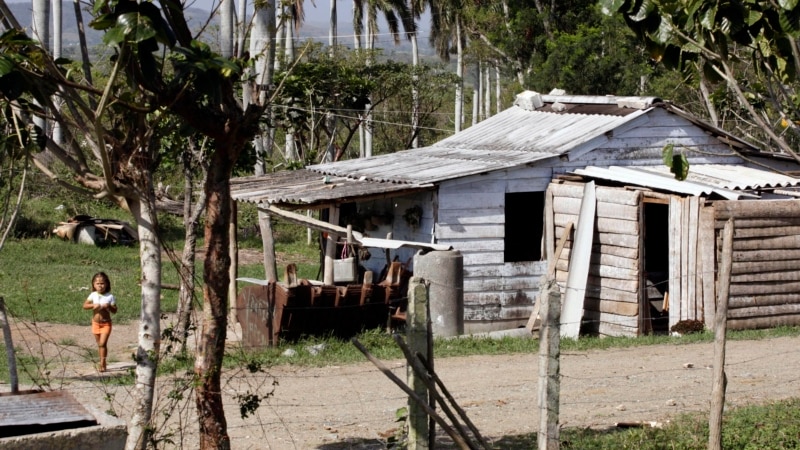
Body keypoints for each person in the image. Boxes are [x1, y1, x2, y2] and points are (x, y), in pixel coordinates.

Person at [83, 272, 117, 372]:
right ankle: (102, 361)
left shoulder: (110, 296)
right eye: (97, 283)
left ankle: (102, 363)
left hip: (106, 323)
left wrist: (109, 306)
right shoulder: (93, 295)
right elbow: (85, 306)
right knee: (100, 344)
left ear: (106, 284)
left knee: (102, 343)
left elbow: (115, 310)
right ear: (94, 284)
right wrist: (93, 306)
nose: (100, 286)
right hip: (95, 323)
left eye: (102, 283)